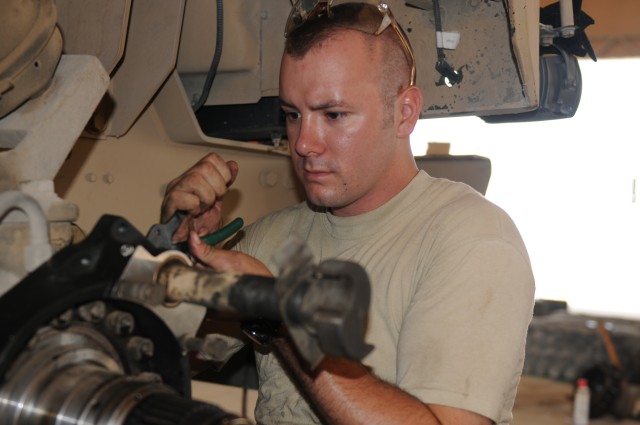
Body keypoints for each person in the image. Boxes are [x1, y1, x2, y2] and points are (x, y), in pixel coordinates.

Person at [161, 1, 535, 424]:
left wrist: (281, 314)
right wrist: (178, 254)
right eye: (292, 115)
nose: (303, 143)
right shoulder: (269, 239)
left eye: (333, 114)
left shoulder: (472, 240)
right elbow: (162, 358)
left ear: (405, 112)